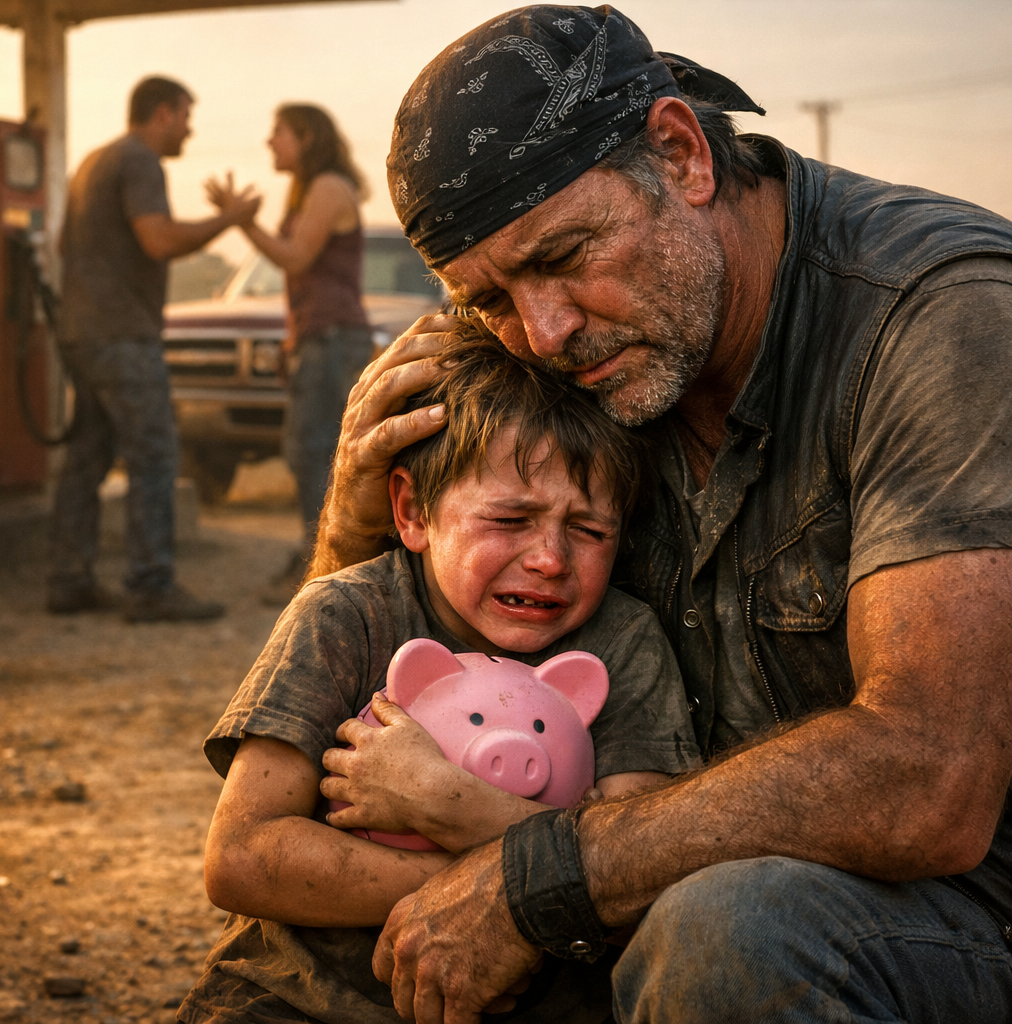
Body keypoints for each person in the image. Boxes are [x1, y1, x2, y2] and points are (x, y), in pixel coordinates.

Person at [308, 6, 1012, 1022]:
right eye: (489, 299)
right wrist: (355, 527)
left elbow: (928, 779)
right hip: (681, 871)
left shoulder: (942, 318)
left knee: (730, 933)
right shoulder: (590, 355)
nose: (541, 332)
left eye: (563, 255)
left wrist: (543, 877)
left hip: (969, 914)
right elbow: (342, 725)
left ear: (681, 154)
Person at [177, 320, 701, 1024]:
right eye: (510, 519)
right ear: (412, 511)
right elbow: (241, 856)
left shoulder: (624, 642)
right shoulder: (347, 615)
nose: (550, 558)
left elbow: (637, 882)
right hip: (296, 998)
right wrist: (484, 884)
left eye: (589, 530)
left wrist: (446, 802)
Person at [49, 75, 260, 622]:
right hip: (122, 334)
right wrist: (229, 221)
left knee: (86, 459)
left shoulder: (95, 161)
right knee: (155, 454)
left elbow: (61, 245)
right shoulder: (141, 161)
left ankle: (69, 580)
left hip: (82, 331)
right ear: (163, 113)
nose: (190, 128)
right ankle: (150, 585)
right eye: (186, 115)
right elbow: (159, 240)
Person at [208, 104, 374, 607]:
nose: (269, 142)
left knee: (314, 455)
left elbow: (296, 257)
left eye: (278, 132)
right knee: (311, 454)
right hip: (320, 340)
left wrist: (241, 222)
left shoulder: (326, 186)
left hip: (332, 340)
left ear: (304, 136)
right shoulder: (313, 188)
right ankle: (318, 560)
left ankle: (320, 569)